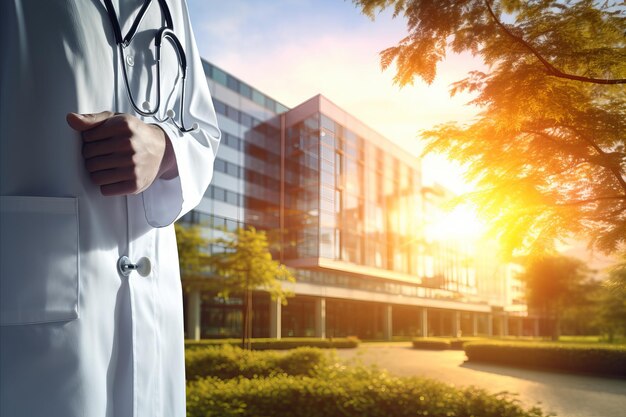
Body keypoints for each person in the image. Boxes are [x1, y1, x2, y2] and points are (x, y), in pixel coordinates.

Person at [0, 1, 220, 416]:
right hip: (32, 325)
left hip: (154, 307)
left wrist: (165, 147)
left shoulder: (173, 5)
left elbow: (204, 132)